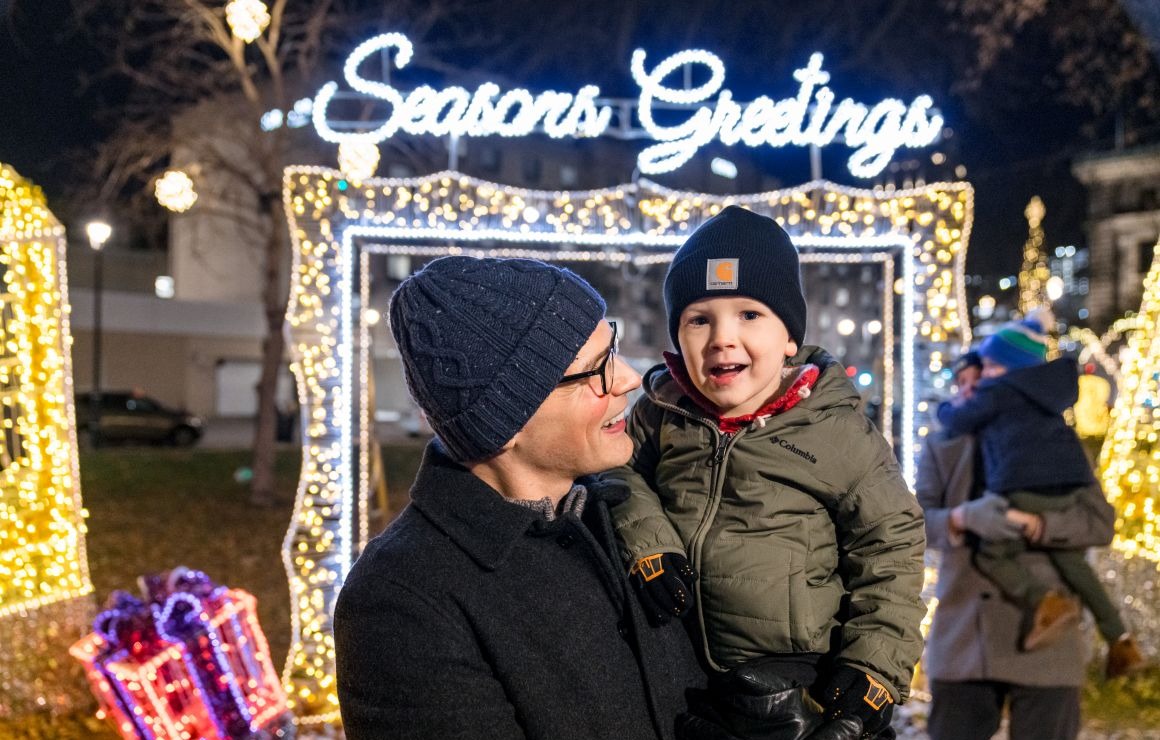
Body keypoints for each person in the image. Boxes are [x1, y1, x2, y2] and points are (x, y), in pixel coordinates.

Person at [333, 256, 706, 739]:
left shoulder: (627, 513)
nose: (630, 377)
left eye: (611, 348)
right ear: (504, 422)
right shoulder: (401, 601)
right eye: (595, 371)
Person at [611, 206, 926, 739]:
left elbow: (891, 543)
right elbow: (617, 474)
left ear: (789, 339)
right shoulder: (661, 414)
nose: (722, 338)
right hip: (680, 666)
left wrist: (872, 665)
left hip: (800, 677)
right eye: (699, 318)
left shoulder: (833, 428)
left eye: (749, 315)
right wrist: (649, 546)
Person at [918, 348, 1118, 740]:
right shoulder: (943, 445)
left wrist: (1038, 524)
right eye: (962, 384)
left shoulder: (1054, 440)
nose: (970, 391)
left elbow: (1098, 522)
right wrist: (961, 518)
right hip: (965, 637)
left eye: (980, 381)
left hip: (1047, 636)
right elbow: (913, 524)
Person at [936, 311, 1143, 672]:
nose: (981, 377)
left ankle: (1046, 601)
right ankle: (1120, 638)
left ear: (1004, 366)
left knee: (992, 552)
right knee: (1075, 564)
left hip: (1022, 484)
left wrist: (946, 408)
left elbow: (959, 418)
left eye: (986, 367)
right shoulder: (1047, 398)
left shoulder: (999, 391)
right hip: (1068, 483)